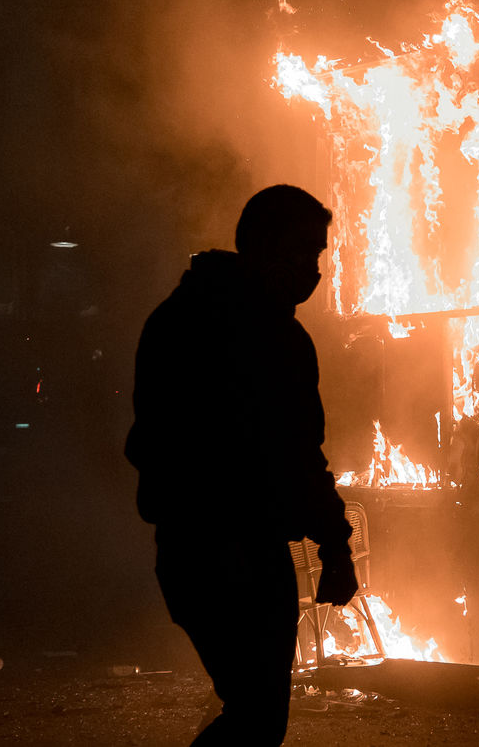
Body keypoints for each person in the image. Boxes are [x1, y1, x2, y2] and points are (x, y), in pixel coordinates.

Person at [126, 185, 358, 745]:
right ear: (266, 247)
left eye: (318, 254)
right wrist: (335, 546)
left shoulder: (173, 318)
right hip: (238, 557)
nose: (314, 270)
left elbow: (147, 444)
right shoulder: (275, 338)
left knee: (252, 712)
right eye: (306, 252)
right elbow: (298, 455)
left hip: (189, 552)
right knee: (258, 717)